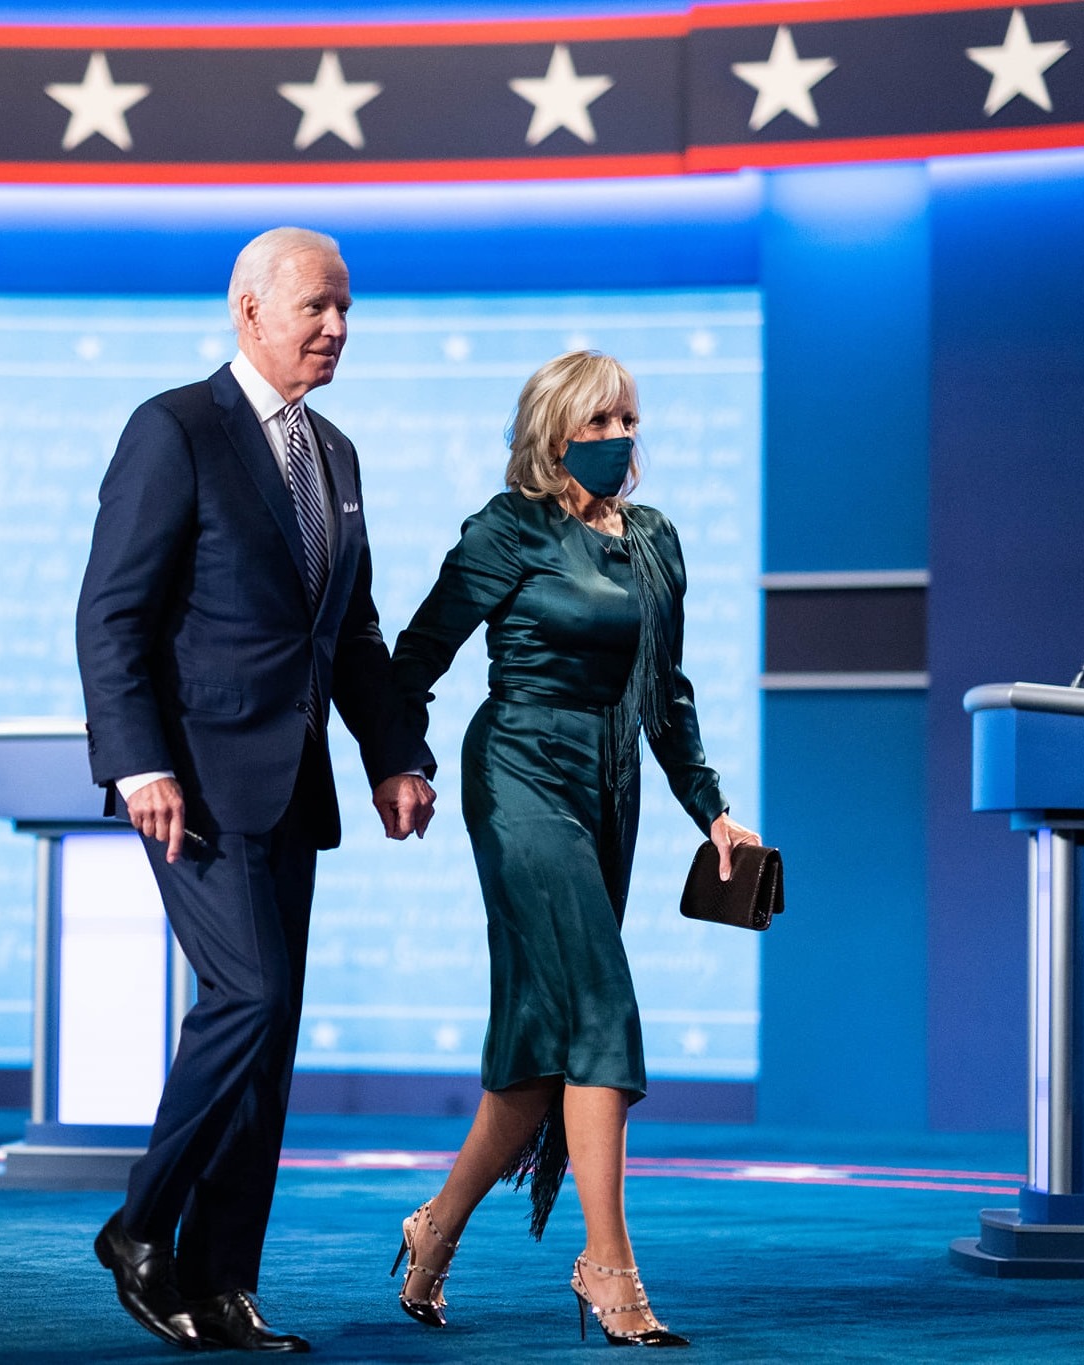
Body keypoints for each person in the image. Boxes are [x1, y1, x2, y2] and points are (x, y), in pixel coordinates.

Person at [76, 226, 436, 1353]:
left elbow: (352, 630)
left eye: (346, 308)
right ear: (250, 310)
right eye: (316, 306)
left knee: (268, 1040)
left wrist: (395, 754)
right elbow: (112, 613)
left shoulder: (336, 452)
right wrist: (138, 761)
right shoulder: (175, 428)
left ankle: (224, 1279)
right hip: (191, 785)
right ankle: (141, 1229)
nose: (336, 327)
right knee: (251, 997)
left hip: (294, 790)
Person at [386, 350, 760, 1348]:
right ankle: (608, 1267)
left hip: (609, 785)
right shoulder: (508, 528)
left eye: (627, 419)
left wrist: (713, 810)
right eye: (596, 422)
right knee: (599, 1004)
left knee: (538, 1053)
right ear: (552, 433)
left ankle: (435, 1228)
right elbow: (418, 653)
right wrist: (401, 762)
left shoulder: (656, 540)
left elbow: (663, 693)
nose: (617, 438)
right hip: (518, 773)